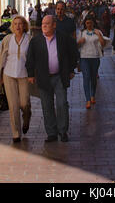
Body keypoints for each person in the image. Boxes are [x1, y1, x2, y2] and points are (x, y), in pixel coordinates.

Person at [26, 15, 78, 143]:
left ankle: (63, 131)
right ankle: (51, 133)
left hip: (60, 76)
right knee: (47, 105)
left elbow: (73, 53)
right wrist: (31, 74)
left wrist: (71, 70)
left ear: (54, 25)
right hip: (44, 78)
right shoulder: (36, 41)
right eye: (43, 23)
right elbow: (30, 59)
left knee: (61, 104)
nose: (44, 26)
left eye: (47, 23)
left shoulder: (63, 38)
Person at [0, 16, 32, 143]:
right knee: (13, 105)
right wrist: (1, 75)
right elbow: (3, 58)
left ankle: (27, 119)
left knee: (25, 103)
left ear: (24, 26)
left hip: (24, 75)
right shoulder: (7, 39)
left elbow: (33, 59)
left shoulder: (29, 39)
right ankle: (16, 133)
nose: (18, 26)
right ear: (12, 26)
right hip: (9, 74)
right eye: (15, 24)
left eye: (20, 24)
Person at [77, 15, 106, 109]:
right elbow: (76, 45)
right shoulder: (82, 33)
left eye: (91, 23)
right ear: (85, 23)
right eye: (87, 23)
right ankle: (87, 100)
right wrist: (79, 42)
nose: (89, 24)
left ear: (93, 23)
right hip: (84, 57)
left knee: (93, 78)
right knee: (86, 77)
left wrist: (99, 35)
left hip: (95, 57)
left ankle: (93, 95)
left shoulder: (97, 32)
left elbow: (103, 44)